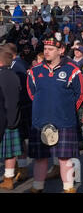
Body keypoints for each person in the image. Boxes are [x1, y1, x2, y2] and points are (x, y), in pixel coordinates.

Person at [26, 34, 83, 193]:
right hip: (40, 122)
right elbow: (32, 94)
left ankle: (68, 188)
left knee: (65, 159)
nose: (46, 52)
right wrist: (43, 108)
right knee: (40, 158)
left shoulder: (73, 70)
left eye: (51, 49)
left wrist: (66, 111)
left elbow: (80, 95)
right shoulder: (34, 71)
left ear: (61, 50)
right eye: (45, 49)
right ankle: (38, 187)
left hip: (64, 122)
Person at [0, 46, 21, 191]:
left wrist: (11, 121)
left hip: (5, 119)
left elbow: (10, 101)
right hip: (8, 118)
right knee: (9, 152)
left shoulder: (5, 76)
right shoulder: (11, 75)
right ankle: (9, 177)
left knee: (9, 152)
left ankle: (8, 178)